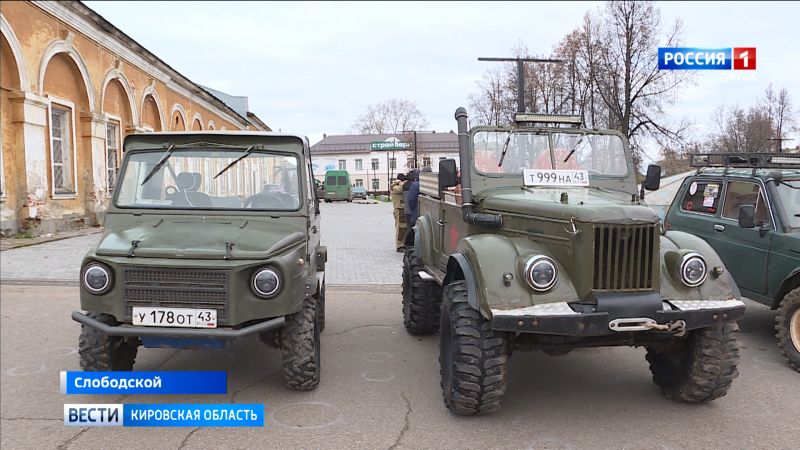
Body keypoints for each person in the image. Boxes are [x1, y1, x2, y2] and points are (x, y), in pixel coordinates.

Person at [391, 173, 407, 252]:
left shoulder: (397, 185)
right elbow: (402, 188)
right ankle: (399, 245)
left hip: (402, 209)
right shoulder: (395, 187)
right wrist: (401, 182)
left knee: (403, 228)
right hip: (399, 209)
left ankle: (402, 244)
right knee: (400, 228)